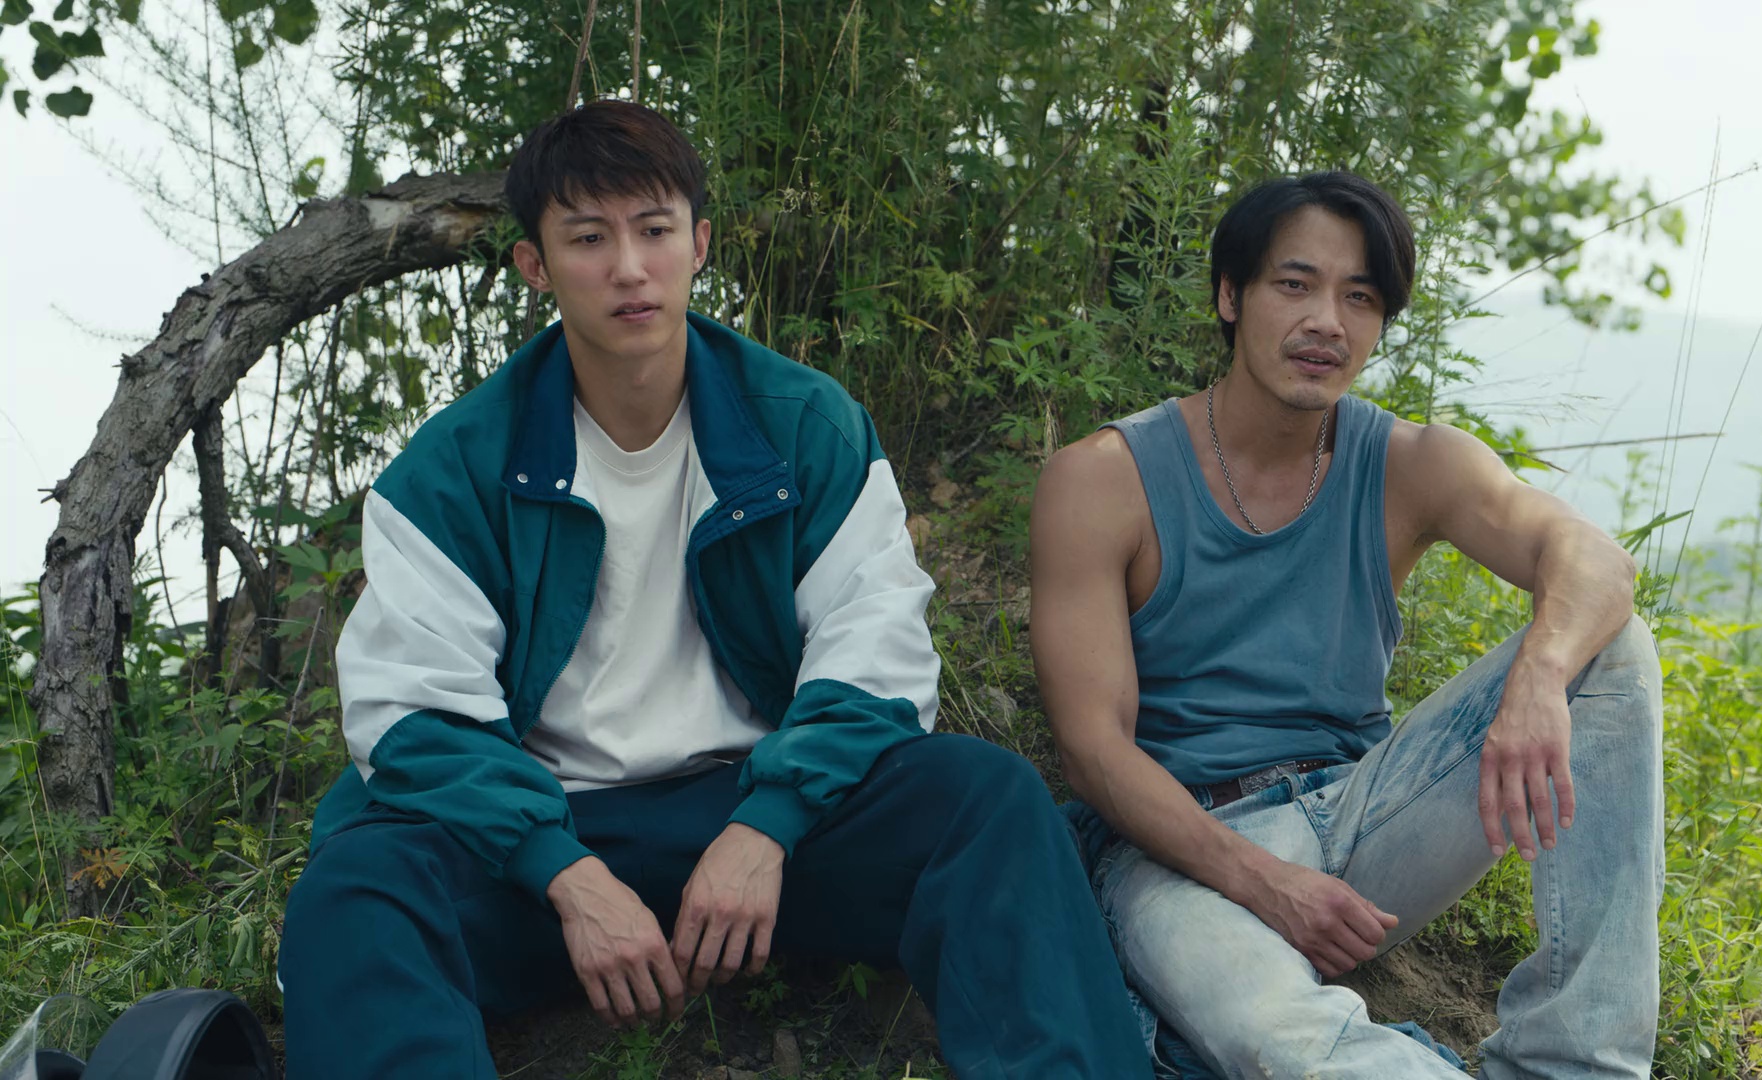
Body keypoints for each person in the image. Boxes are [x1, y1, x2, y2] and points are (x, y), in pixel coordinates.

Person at [278, 100, 1150, 1080]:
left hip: (757, 809)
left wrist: (767, 824)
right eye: (588, 239)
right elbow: (414, 715)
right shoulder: (453, 468)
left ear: (698, 246)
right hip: (538, 832)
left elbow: (876, 656)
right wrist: (563, 874)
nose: (629, 268)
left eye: (654, 231)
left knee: (985, 802)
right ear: (535, 265)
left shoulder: (804, 425)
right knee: (360, 888)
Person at [1030, 172, 1664, 1079]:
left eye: (1359, 298)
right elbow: (1093, 750)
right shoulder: (1102, 480)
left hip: (1365, 811)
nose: (1326, 321)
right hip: (1179, 855)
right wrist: (1266, 884)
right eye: (1295, 284)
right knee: (1275, 1035)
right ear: (1230, 295)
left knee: (1609, 647)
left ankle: (1574, 1065)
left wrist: (1541, 674)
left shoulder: (1409, 461)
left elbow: (1597, 560)